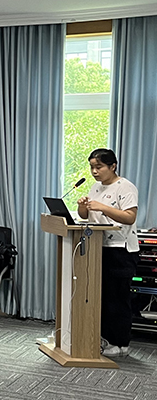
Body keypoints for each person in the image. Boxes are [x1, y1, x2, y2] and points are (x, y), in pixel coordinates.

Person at [77, 148, 140, 358]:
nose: (94, 172)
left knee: (117, 298)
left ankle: (121, 343)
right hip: (98, 248)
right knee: (102, 297)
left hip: (121, 251)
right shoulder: (96, 187)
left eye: (99, 167)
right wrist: (83, 207)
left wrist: (102, 207)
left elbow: (129, 217)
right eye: (92, 167)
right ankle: (106, 338)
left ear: (113, 166)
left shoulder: (125, 187)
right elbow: (86, 216)